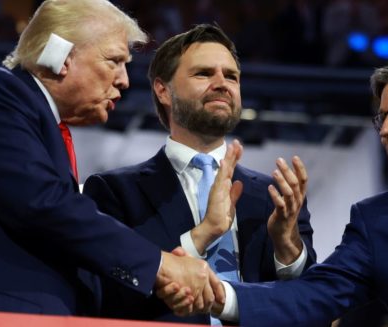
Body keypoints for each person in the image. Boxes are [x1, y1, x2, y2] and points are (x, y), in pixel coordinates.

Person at [160, 55, 388, 327]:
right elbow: (316, 295)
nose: (385, 130)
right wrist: (222, 295)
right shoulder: (378, 220)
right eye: (382, 118)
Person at [0, 0, 233, 316]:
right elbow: (46, 206)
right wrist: (160, 266)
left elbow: (73, 246)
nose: (124, 80)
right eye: (114, 61)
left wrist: (186, 249)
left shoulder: (46, 129)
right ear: (62, 58)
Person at [82, 24, 317, 324]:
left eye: (231, 76)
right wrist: (202, 235)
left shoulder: (276, 196)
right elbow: (109, 295)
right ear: (163, 90)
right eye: (204, 73)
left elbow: (311, 301)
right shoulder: (114, 192)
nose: (222, 83)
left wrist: (287, 244)